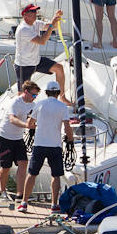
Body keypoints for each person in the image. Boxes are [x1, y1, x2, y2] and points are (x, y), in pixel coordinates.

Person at [18, 79, 75, 213]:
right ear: (58, 93)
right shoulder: (63, 107)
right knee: (55, 176)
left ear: (47, 92)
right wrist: (71, 141)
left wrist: (37, 126)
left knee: (32, 174)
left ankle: (24, 203)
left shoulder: (39, 104)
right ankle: (54, 205)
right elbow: (67, 128)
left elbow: (30, 123)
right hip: (55, 146)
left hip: (39, 145)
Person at [0, 80, 38, 198]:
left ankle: (20, 194)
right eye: (33, 95)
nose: (35, 98)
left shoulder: (33, 105)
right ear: (26, 92)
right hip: (4, 138)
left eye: (36, 96)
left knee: (24, 163)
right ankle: (2, 191)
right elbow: (12, 119)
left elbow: (34, 118)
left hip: (18, 139)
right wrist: (26, 125)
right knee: (6, 167)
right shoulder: (14, 102)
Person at [14, 3, 66, 93]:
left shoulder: (36, 23)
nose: (35, 13)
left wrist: (57, 17)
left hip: (36, 61)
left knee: (59, 68)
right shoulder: (23, 29)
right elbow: (42, 41)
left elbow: (54, 27)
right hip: (24, 65)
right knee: (22, 93)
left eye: (35, 11)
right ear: (25, 15)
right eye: (32, 11)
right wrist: (51, 24)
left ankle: (62, 97)